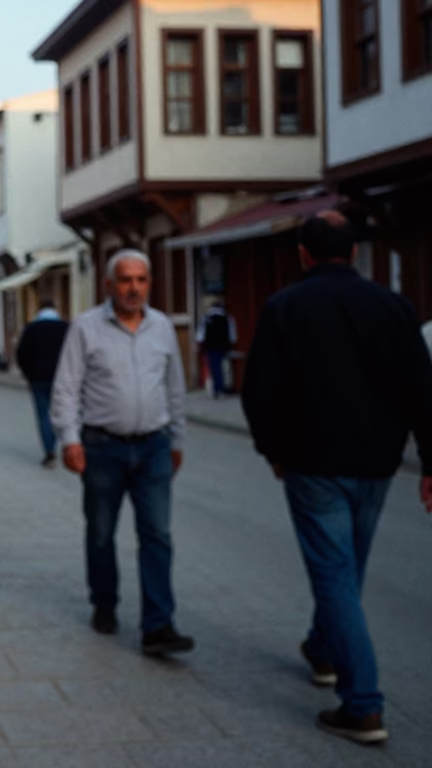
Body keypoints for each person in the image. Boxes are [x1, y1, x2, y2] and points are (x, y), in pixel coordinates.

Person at [241, 212, 432, 745]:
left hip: (313, 462)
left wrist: (272, 449)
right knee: (348, 570)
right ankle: (324, 650)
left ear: (303, 254)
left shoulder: (285, 308)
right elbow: (424, 386)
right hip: (376, 463)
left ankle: (363, 704)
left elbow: (259, 390)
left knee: (335, 576)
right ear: (354, 253)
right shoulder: (394, 308)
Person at [50, 249, 193, 656]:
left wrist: (177, 439)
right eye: (126, 280)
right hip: (102, 447)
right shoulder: (86, 328)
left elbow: (175, 387)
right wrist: (70, 438)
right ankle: (104, 602)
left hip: (153, 446)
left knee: (158, 535)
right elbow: (66, 386)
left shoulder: (162, 327)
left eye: (141, 280)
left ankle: (158, 624)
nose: (134, 288)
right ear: (109, 284)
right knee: (100, 532)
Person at [15, 299, 70, 468]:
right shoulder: (65, 328)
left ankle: (49, 451)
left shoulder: (31, 329)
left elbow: (21, 354)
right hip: (61, 379)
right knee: (60, 414)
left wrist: (28, 374)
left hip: (38, 379)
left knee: (43, 416)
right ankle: (66, 443)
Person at [196, 299, 237, 397]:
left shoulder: (207, 317)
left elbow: (200, 335)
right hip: (224, 345)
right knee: (225, 367)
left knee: (215, 367)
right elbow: (233, 335)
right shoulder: (227, 317)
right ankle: (225, 387)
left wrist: (200, 344)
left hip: (211, 346)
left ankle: (217, 389)